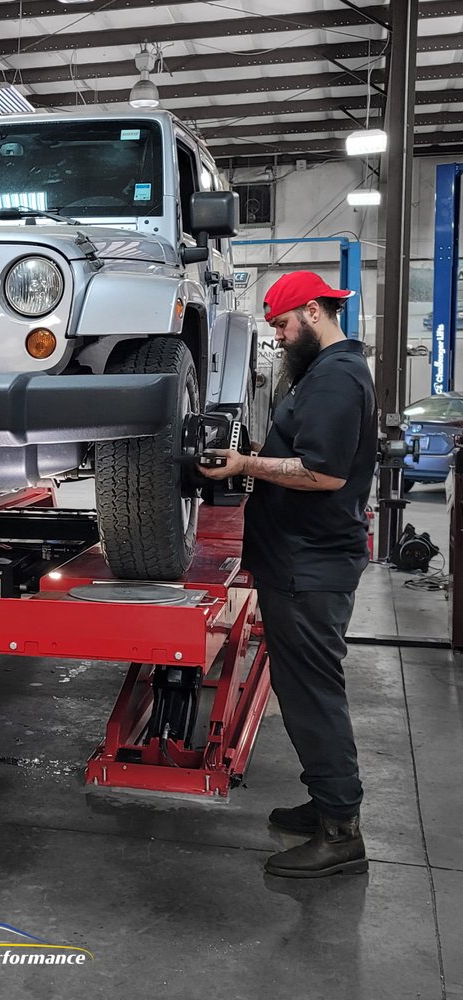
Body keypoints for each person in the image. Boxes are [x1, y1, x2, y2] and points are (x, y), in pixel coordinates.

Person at [200, 270, 377, 879]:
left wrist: (245, 464)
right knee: (304, 691)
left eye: (280, 324)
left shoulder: (335, 378)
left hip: (311, 566)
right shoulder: (324, 373)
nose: (276, 336)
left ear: (313, 312)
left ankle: (341, 833)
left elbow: (323, 473)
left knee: (312, 695)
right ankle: (328, 803)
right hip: (301, 561)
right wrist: (256, 457)